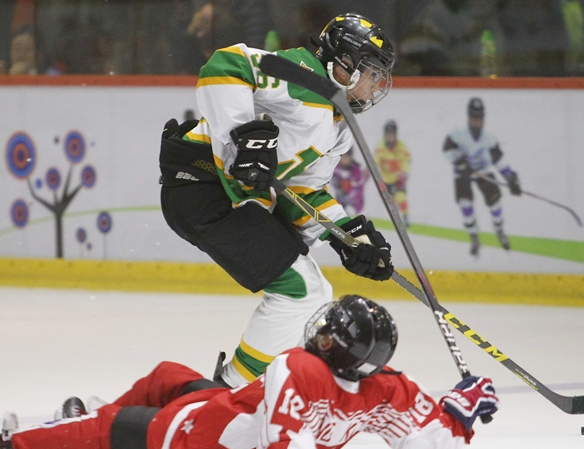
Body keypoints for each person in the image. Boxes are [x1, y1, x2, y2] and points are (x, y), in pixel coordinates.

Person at [0, 295, 500, 449]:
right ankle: (80, 434)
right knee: (169, 373)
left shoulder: (301, 368)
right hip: (229, 412)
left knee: (111, 428)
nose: (321, 334)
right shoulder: (383, 387)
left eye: (331, 334)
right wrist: (458, 414)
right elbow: (427, 446)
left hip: (202, 447)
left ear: (341, 352)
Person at [159, 13, 397, 388]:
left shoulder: (338, 125)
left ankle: (237, 392)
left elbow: (301, 190)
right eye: (371, 72)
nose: (375, 84)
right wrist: (242, 136)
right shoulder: (302, 76)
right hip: (202, 185)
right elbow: (225, 64)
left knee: (311, 296)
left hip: (234, 198)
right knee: (303, 292)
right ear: (344, 63)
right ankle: (224, 395)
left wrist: (347, 235)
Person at [442, 97, 521, 256]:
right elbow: (447, 149)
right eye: (474, 117)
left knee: (495, 203)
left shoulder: (489, 136)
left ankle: (499, 230)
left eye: (479, 117)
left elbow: (498, 158)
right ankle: (473, 236)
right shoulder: (458, 133)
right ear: (469, 116)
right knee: (466, 204)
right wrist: (460, 163)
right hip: (463, 173)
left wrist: (510, 177)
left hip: (483, 171)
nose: (477, 120)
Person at [374, 120, 412, 227]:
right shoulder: (380, 147)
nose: (390, 138)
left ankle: (405, 217)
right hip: (385, 180)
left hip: (398, 179)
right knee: (390, 202)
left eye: (392, 135)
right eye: (388, 135)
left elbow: (406, 162)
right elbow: (375, 162)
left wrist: (404, 175)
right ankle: (396, 219)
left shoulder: (402, 147)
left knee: (401, 197)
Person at [330, 147, 369, 215]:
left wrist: (350, 195)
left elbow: (359, 188)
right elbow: (331, 180)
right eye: (343, 157)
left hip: (356, 201)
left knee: (360, 216)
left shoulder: (357, 170)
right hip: (340, 199)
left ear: (351, 157)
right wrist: (336, 184)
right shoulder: (336, 167)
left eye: (347, 157)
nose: (344, 159)